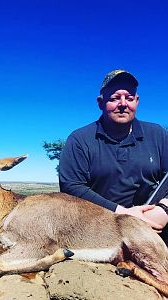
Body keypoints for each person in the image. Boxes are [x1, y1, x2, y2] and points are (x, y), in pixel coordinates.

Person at [59, 69, 168, 233]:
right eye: (115, 98)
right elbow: (71, 186)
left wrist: (163, 209)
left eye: (129, 98)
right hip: (99, 229)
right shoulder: (79, 139)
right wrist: (125, 214)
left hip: (153, 227)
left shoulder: (158, 134)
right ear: (100, 103)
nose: (123, 104)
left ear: (137, 101)